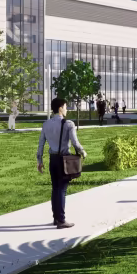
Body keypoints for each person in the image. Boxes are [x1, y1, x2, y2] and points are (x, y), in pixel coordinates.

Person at [37, 98, 87, 229]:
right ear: (60, 108)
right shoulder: (68, 124)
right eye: (65, 107)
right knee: (62, 190)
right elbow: (75, 143)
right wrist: (83, 152)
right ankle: (61, 220)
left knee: (55, 189)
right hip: (63, 160)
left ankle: (56, 217)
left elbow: (41, 144)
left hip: (52, 160)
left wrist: (39, 161)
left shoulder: (46, 124)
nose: (66, 109)